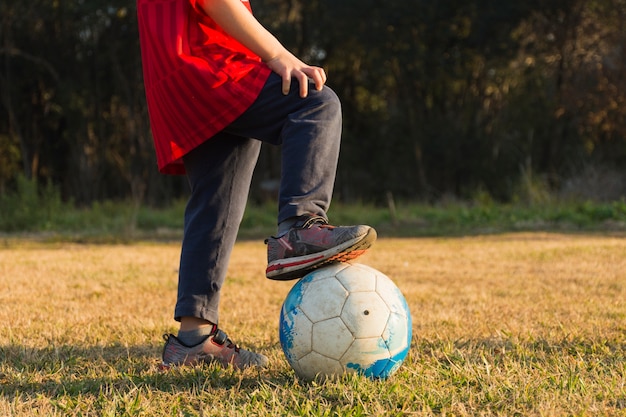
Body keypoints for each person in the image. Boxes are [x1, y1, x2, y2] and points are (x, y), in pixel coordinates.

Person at [136, 0, 377, 370]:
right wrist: (277, 53)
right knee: (314, 103)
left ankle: (193, 340)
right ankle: (300, 228)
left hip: (176, 74)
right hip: (208, 61)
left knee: (217, 198)